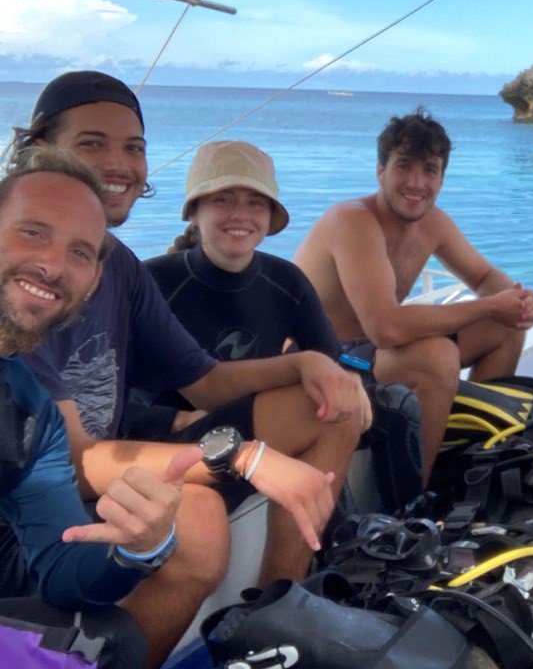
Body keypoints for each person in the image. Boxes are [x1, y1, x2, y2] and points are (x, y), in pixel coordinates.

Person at [2, 71, 371, 658]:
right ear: (38, 152)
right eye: (93, 142)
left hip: (79, 469)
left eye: (134, 147)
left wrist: (305, 363)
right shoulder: (23, 302)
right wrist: (245, 456)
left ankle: (277, 609)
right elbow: (72, 458)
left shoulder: (115, 266)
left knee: (325, 409)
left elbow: (207, 380)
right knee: (195, 522)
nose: (117, 163)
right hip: (68, 476)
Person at [0, 146, 226, 669]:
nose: (53, 265)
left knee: (111, 637)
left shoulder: (36, 411)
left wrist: (134, 548)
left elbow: (59, 565)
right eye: (32, 231)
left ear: (95, 281)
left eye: (80, 252)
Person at [294, 108, 533, 480]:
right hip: (327, 360)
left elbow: (486, 275)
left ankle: (468, 456)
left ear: (442, 178)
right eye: (404, 166)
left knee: (506, 325)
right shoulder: (352, 221)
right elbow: (386, 329)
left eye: (430, 169)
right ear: (380, 171)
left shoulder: (433, 223)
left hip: (371, 355)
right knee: (437, 355)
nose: (416, 182)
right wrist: (490, 305)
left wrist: (519, 304)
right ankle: (416, 500)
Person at [139, 139, 339, 420]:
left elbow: (329, 364)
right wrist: (174, 422)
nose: (240, 214)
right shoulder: (150, 281)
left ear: (269, 216)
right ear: (194, 212)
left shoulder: (287, 281)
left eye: (255, 202)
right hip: (169, 435)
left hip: (260, 427)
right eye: (223, 199)